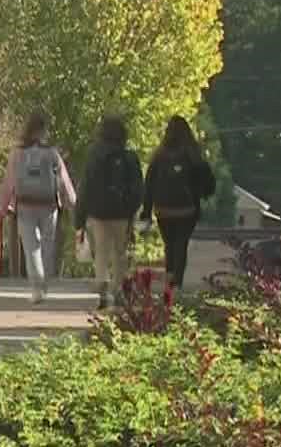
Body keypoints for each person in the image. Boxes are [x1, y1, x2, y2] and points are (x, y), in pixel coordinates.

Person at [0, 111, 78, 306]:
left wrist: (2, 207)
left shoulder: (17, 153)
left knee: (31, 246)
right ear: (43, 130)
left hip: (25, 204)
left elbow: (9, 182)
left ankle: (36, 286)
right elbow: (63, 180)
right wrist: (72, 202)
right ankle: (44, 284)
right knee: (47, 245)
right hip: (48, 205)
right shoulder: (51, 153)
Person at [74, 115, 143, 310]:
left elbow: (85, 187)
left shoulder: (94, 156)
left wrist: (79, 218)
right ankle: (117, 288)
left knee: (101, 251)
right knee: (120, 253)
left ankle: (102, 284)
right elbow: (138, 188)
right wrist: (132, 209)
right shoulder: (129, 158)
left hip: (98, 212)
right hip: (122, 213)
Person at [140, 115, 217, 291]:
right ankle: (177, 283)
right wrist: (202, 194)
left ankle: (170, 277)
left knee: (169, 244)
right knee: (181, 244)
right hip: (187, 209)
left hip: (163, 209)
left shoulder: (159, 156)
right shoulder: (192, 153)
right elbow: (206, 180)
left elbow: (149, 184)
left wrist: (146, 210)